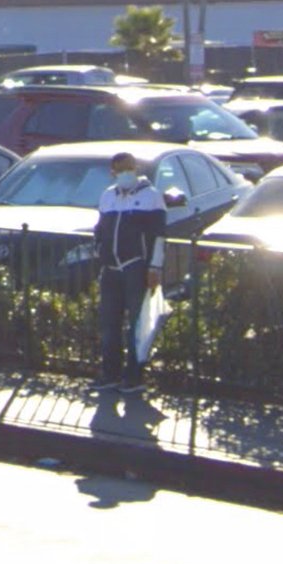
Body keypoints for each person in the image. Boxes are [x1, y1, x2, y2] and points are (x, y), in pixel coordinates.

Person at [92, 151, 166, 394]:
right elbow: (100, 229)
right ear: (112, 172)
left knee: (136, 323)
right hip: (110, 268)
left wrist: (154, 267)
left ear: (135, 168)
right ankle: (110, 373)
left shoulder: (151, 197)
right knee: (109, 323)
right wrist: (99, 251)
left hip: (136, 266)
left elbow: (159, 235)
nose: (124, 172)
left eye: (128, 167)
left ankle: (134, 376)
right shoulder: (108, 196)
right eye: (119, 169)